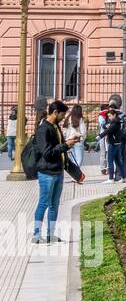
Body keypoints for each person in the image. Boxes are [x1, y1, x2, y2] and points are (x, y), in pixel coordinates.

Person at [31, 100, 80, 243]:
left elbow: (58, 147)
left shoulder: (55, 126)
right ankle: (36, 235)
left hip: (58, 171)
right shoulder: (43, 129)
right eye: (62, 115)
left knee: (54, 204)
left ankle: (50, 235)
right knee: (44, 203)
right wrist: (65, 145)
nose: (63, 118)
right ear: (55, 112)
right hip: (46, 172)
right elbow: (47, 153)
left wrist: (68, 142)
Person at [103, 105, 126, 183]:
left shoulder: (123, 117)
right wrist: (106, 126)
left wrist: (119, 137)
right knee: (118, 160)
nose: (109, 114)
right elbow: (105, 125)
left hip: (122, 141)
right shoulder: (110, 117)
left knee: (121, 159)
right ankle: (121, 177)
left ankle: (119, 176)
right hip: (116, 141)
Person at [64, 104, 87, 170]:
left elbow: (64, 131)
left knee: (73, 159)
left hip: (69, 140)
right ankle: (76, 175)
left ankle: (74, 174)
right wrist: (83, 138)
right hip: (78, 140)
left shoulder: (68, 118)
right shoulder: (80, 119)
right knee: (79, 159)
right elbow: (83, 131)